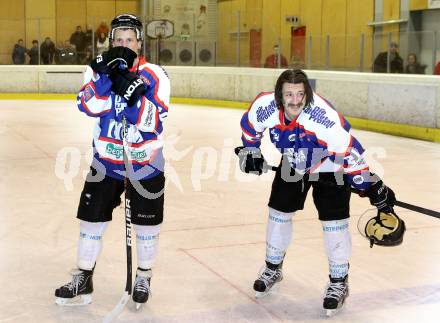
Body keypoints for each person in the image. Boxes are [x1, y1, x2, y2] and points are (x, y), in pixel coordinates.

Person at [236, 69, 400, 316]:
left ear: (308, 94)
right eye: (289, 94)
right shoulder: (265, 106)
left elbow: (349, 152)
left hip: (330, 165)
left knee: (334, 223)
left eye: (300, 94)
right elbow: (251, 129)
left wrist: (370, 185)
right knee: (278, 214)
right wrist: (251, 151)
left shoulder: (322, 118)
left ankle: (338, 281)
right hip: (292, 161)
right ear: (280, 96)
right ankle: (273, 267)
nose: (295, 100)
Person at [54, 14, 170, 308]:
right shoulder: (96, 71)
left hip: (145, 164)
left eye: (129, 40)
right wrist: (109, 79)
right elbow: (88, 104)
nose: (123, 44)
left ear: (140, 43)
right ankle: (84, 275)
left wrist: (132, 94)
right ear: (111, 43)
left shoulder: (156, 74)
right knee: (91, 220)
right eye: (118, 40)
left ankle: (143, 275)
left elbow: (151, 121)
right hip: (105, 162)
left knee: (146, 225)